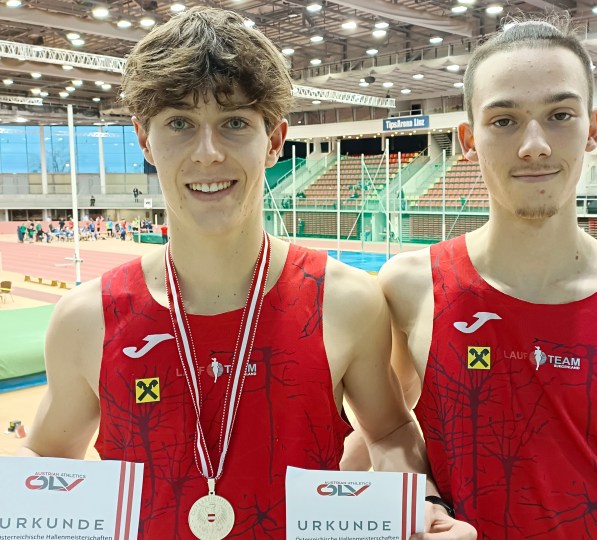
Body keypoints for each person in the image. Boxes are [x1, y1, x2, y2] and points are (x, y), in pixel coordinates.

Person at [18, 8, 474, 540]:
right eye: (180, 123)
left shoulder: (346, 301)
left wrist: (422, 501)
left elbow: (390, 430)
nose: (208, 154)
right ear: (144, 140)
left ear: (275, 140)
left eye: (234, 122)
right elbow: (47, 455)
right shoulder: (86, 319)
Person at [369, 16, 597, 539]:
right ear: (469, 139)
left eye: (559, 115)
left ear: (593, 129)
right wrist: (422, 498)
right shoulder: (410, 288)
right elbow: (386, 432)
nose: (534, 145)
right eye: (504, 120)